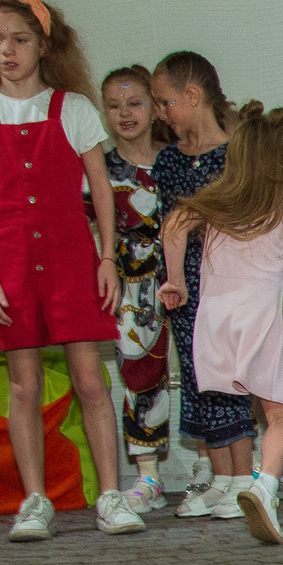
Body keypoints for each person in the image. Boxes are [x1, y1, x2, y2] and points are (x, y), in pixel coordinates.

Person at [0, 0, 143, 542]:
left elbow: (101, 189)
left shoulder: (73, 110)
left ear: (43, 45)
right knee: (24, 387)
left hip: (73, 262)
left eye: (20, 39)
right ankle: (34, 501)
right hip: (10, 268)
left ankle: (111, 495)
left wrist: (106, 259)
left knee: (90, 381)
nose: (8, 51)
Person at [149, 51, 283, 516]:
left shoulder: (218, 203)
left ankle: (240, 480)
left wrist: (176, 281)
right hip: (257, 324)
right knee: (282, 412)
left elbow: (173, 225)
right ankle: (266, 484)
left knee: (223, 401)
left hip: (210, 326)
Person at [98, 66, 173, 514]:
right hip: (131, 287)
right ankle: (149, 477)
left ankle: (211, 466)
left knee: (207, 369)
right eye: (113, 105)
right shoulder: (101, 168)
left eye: (134, 102)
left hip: (187, 278)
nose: (124, 112)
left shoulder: (176, 158)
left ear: (153, 105)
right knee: (140, 376)